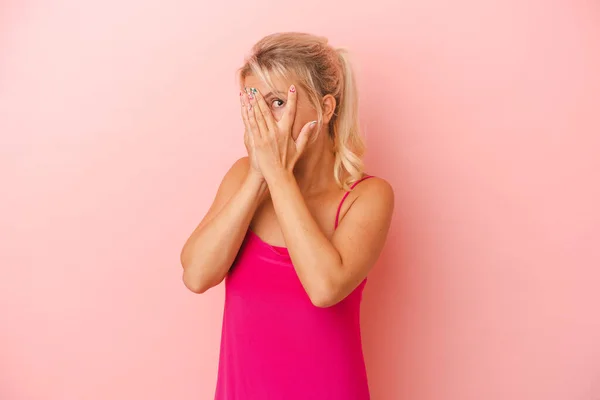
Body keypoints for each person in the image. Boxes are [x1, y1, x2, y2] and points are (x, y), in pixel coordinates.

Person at [180, 32, 394, 400]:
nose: (262, 117)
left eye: (277, 102)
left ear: (326, 109)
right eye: (253, 102)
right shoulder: (242, 176)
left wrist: (278, 175)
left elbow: (325, 288)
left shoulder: (367, 196)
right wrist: (259, 176)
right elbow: (197, 275)